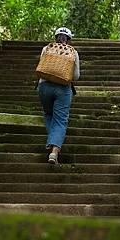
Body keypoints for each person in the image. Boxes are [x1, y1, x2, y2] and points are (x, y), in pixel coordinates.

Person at [37, 27, 80, 164]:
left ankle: (52, 140)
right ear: (69, 39)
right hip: (63, 89)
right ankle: (54, 152)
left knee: (49, 114)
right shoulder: (73, 52)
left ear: (56, 37)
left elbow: (42, 67)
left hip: (44, 86)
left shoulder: (46, 48)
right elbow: (76, 76)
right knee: (61, 120)